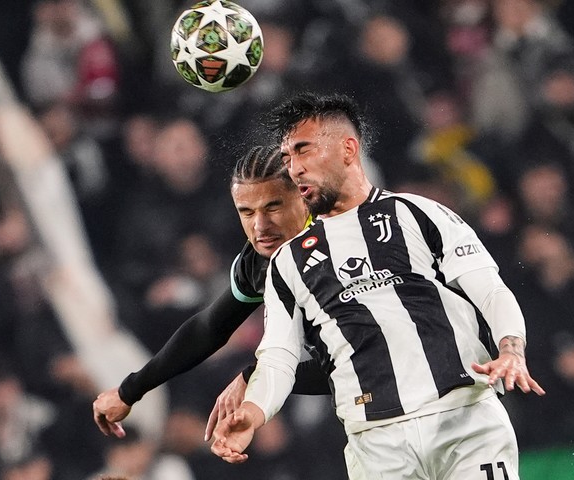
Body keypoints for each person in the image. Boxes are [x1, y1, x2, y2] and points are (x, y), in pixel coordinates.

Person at [210, 92, 545, 479]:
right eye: (287, 158)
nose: (294, 169)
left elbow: (490, 289)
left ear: (348, 149)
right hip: (376, 445)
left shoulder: (419, 214)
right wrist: (252, 414)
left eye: (303, 151)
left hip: (465, 421)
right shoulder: (289, 261)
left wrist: (511, 348)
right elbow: (278, 357)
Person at [92, 145, 329, 440]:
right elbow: (209, 328)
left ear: (304, 200)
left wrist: (253, 381)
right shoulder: (259, 263)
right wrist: (130, 390)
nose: (260, 226)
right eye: (247, 212)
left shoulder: (340, 246)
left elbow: (359, 357)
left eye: (273, 207)